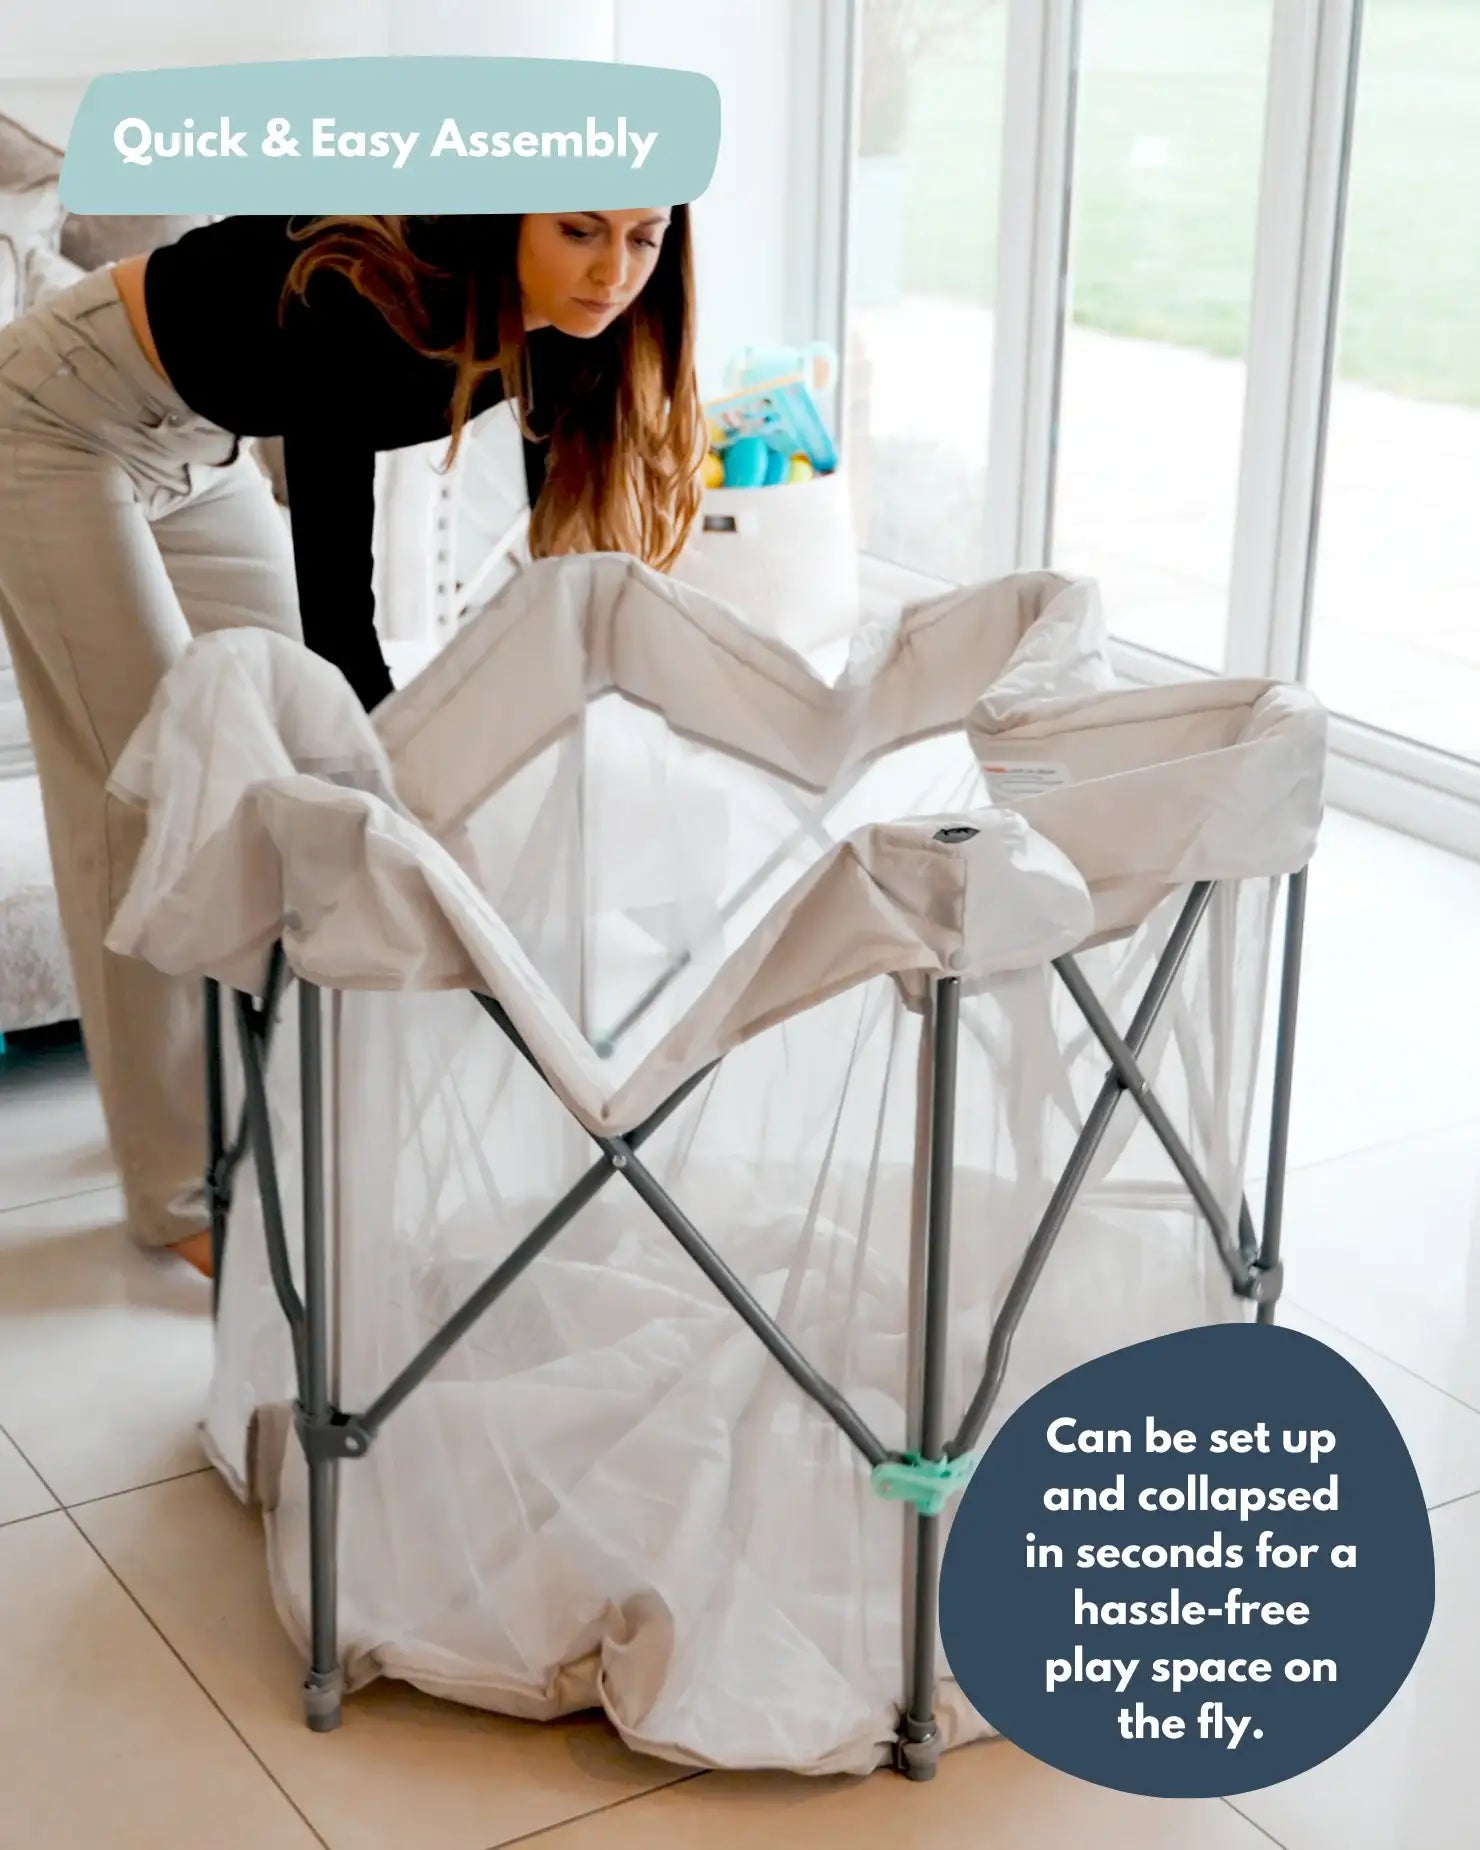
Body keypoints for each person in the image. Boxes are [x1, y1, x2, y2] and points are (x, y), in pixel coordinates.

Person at [0, 209, 706, 1278]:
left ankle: (227, 1090)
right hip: (58, 419)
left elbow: (562, 591)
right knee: (147, 791)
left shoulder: (573, 324)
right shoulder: (369, 299)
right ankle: (176, 1189)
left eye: (643, 240)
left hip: (204, 448)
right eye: (578, 231)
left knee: (308, 771)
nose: (613, 272)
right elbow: (338, 624)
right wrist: (410, 796)